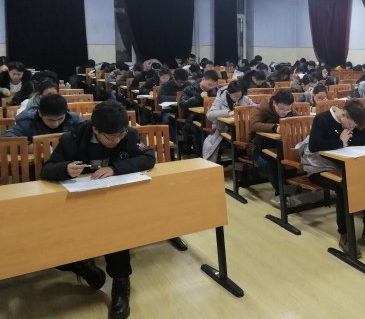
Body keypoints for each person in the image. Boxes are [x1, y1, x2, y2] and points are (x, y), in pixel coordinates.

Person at [41, 100, 155, 319]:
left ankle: (121, 283)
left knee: (115, 231)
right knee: (52, 243)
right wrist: (65, 169)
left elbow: (148, 157)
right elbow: (47, 170)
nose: (117, 141)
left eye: (120, 135)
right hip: (77, 203)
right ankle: (83, 267)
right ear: (95, 129)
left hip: (113, 203)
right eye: (110, 137)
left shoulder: (128, 135)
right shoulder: (73, 139)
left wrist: (114, 168)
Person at [304, 99, 365, 256]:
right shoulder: (322, 119)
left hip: (343, 166)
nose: (352, 129)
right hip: (319, 168)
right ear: (344, 114)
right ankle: (345, 234)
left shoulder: (352, 121)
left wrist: (347, 141)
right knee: (344, 187)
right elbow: (314, 145)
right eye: (351, 126)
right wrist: (340, 142)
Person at [248, 90, 297, 206]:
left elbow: (297, 119)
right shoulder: (262, 109)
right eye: (281, 109)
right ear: (274, 103)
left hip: (278, 147)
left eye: (288, 109)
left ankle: (287, 193)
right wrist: (275, 128)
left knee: (292, 161)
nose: (284, 112)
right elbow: (254, 125)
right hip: (257, 148)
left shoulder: (289, 109)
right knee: (271, 164)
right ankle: (282, 194)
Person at [3, 94, 84, 152]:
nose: (56, 124)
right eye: (50, 120)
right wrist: (28, 147)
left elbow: (87, 132)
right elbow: (5, 140)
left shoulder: (73, 118)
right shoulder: (28, 121)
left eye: (60, 119)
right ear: (40, 113)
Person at [202, 81, 253, 161]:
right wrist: (228, 113)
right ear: (229, 93)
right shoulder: (220, 100)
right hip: (225, 130)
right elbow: (209, 115)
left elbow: (255, 108)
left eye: (239, 95)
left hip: (244, 129)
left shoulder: (244, 98)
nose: (237, 98)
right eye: (235, 96)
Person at [179, 70, 219, 156]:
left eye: (214, 85)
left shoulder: (215, 90)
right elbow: (182, 104)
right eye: (209, 84)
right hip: (193, 118)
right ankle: (200, 156)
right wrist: (198, 97)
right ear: (203, 79)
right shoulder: (190, 89)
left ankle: (214, 155)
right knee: (198, 130)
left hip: (210, 117)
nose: (211, 87)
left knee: (221, 128)